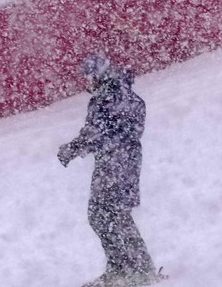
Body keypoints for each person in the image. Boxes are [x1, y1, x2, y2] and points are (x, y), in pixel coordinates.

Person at [57, 53, 161, 287]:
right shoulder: (121, 92)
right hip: (120, 160)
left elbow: (97, 132)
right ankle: (126, 268)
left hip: (116, 162)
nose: (86, 82)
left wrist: (72, 148)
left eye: (88, 76)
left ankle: (136, 269)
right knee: (108, 214)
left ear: (97, 74)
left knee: (107, 214)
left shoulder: (108, 96)